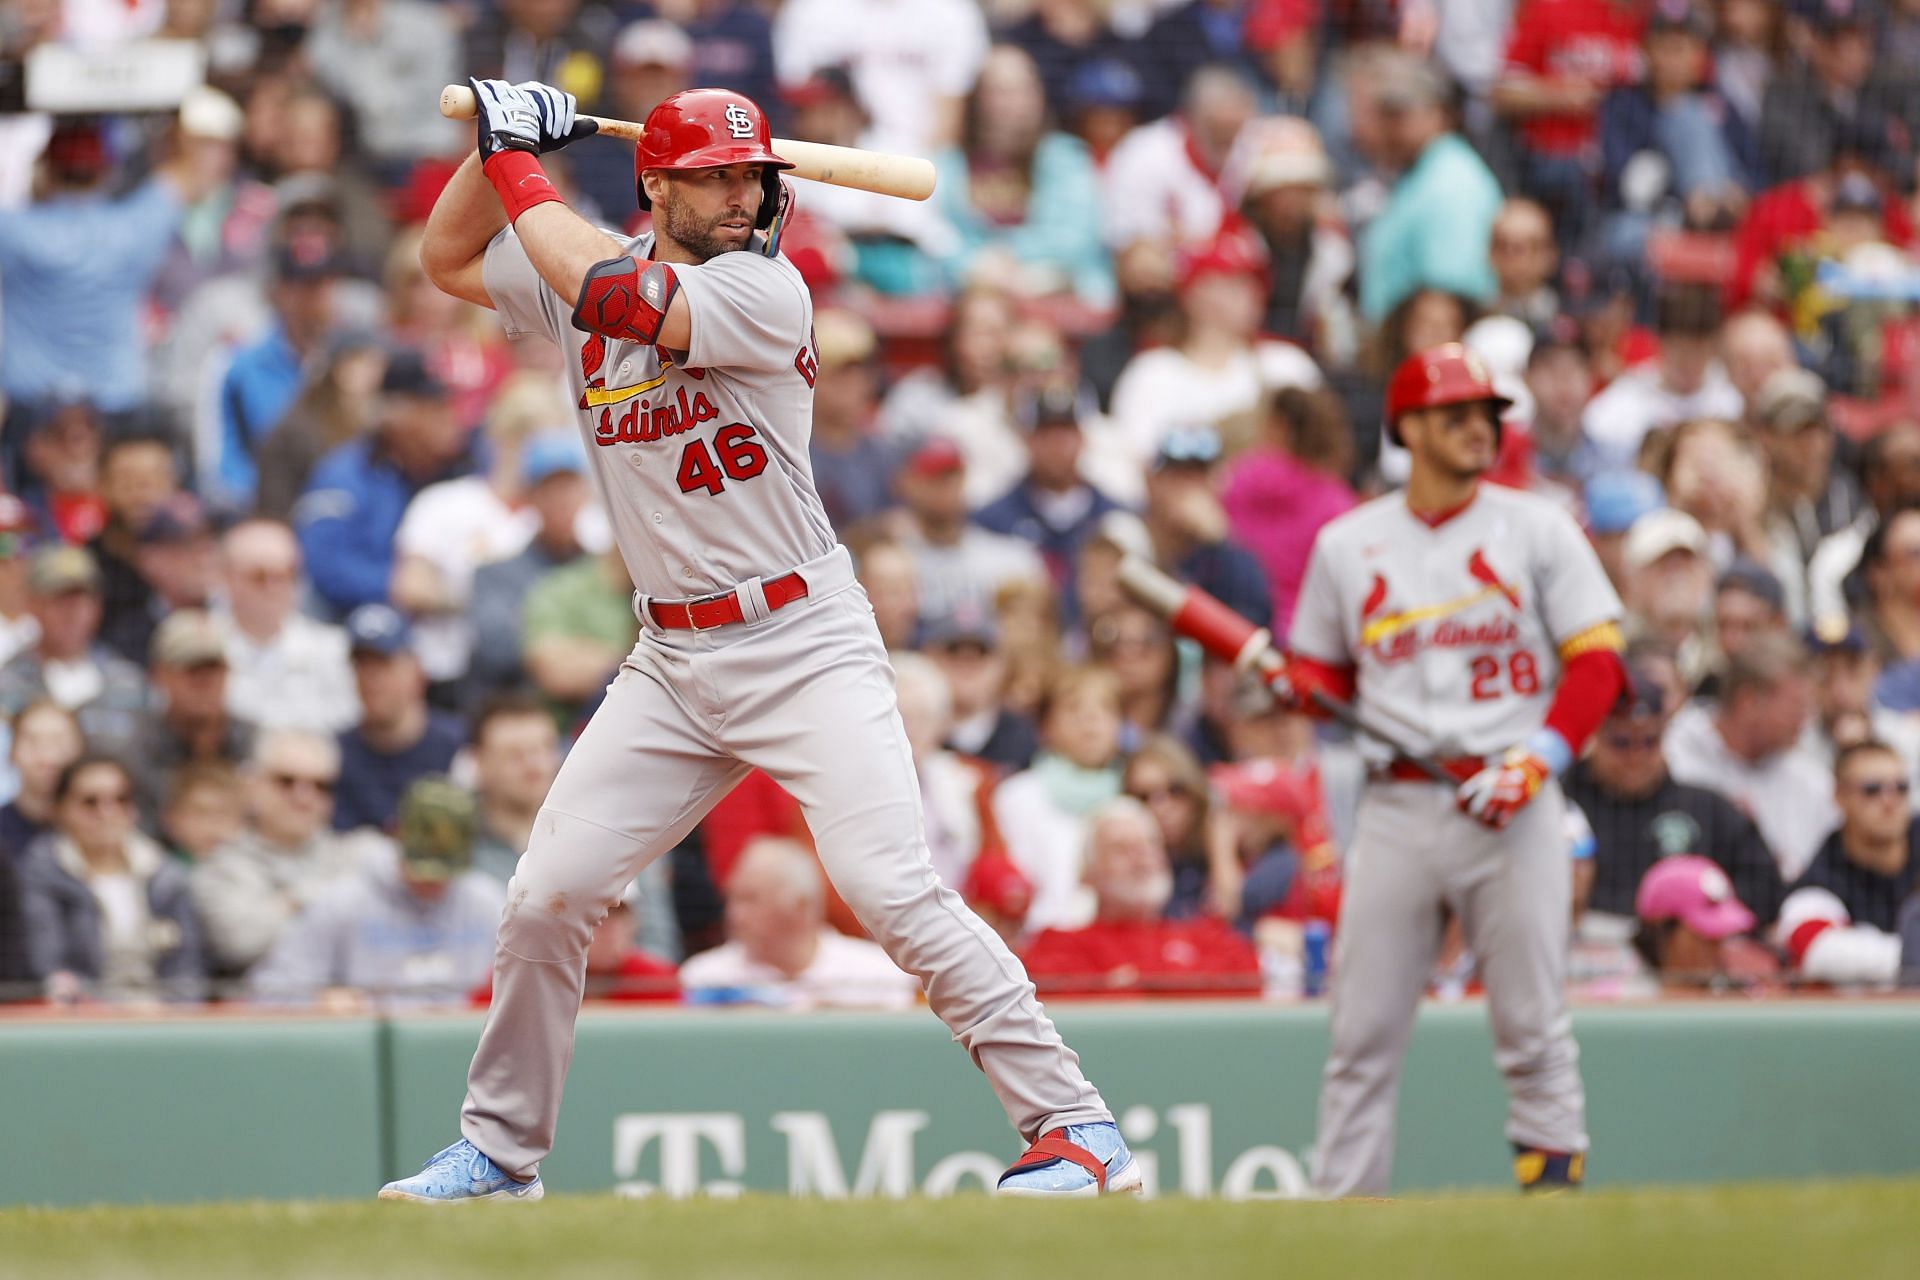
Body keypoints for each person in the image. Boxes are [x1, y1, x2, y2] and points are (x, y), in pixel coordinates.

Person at [380, 82, 1137, 1203]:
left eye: (752, 175)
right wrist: (498, 151)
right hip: (673, 659)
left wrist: (515, 158)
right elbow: (449, 262)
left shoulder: (763, 288)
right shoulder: (582, 257)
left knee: (890, 886)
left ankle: (1076, 1124)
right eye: (717, 177)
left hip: (800, 636)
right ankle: (502, 1149)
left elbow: (615, 294)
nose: (743, 196)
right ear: (657, 184)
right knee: (547, 893)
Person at [1285, 344, 1628, 1196]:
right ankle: (1342, 1220)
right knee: (1360, 1035)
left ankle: (1554, 1207)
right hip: (1398, 803)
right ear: (1408, 427)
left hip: (1510, 799)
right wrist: (1294, 686)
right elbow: (1323, 678)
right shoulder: (1347, 542)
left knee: (1533, 1026)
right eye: (1456, 413)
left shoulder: (1539, 524)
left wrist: (1540, 758)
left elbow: (1597, 661)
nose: (1479, 427)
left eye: (1487, 413)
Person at [250, 777, 505, 1007]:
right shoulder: (344, 901)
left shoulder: (489, 902)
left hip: (463, 1050)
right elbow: (269, 990)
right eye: (422, 867)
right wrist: (319, 1000)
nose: (432, 882)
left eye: (445, 870)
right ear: (396, 833)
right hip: (366, 1049)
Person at [1561, 668, 1785, 926]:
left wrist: (1707, 910)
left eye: (1649, 742)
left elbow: (1766, 888)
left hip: (1678, 952)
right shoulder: (1563, 804)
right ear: (1596, 735)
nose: (1636, 757)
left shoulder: (1704, 807)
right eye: (1621, 743)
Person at [294, 349, 477, 618]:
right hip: (359, 627)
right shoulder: (345, 475)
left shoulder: (469, 468)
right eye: (435, 407)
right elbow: (324, 564)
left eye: (452, 406)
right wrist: (393, 585)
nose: (451, 420)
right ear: (396, 413)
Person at [1020, 798, 1260, 998]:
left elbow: (1250, 997)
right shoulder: (1056, 947)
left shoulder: (1213, 939)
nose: (1142, 857)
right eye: (1121, 849)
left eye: (1150, 844)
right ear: (1087, 874)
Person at [17, 755, 207, 1001]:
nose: (107, 812)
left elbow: (188, 968)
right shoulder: (41, 874)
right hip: (82, 1025)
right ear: (60, 808)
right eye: (90, 802)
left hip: (164, 1021)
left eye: (121, 799)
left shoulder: (164, 874)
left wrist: (167, 1012)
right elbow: (47, 966)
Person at [191, 729, 376, 980]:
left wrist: (287, 905)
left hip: (352, 1012)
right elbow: (239, 945)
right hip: (262, 1014)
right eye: (286, 781)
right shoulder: (220, 867)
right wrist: (312, 895)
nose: (304, 797)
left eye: (320, 786)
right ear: (252, 786)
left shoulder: (358, 854)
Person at [1664, 633, 1836, 882]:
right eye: (1796, 706)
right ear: (1748, 701)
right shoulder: (1674, 754)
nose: (1805, 720)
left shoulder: (1809, 778)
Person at [677, 834, 920, 1009]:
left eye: (751, 900)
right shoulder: (704, 977)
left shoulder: (879, 975)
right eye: (732, 898)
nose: (734, 914)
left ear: (801, 906)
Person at [1358, 53, 1503, 324]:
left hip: (1424, 353)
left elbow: (1448, 297)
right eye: (1384, 117)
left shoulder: (1453, 181)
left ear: (1439, 113)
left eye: (1399, 116)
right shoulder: (1420, 172)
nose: (1388, 129)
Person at [993, 664, 1126, 932]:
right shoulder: (1018, 796)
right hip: (1039, 944)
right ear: (1045, 727)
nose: (1091, 719)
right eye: (1074, 708)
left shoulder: (1135, 792)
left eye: (1105, 708)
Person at [1775, 740, 1920, 986]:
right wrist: (1910, 954)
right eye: (1872, 790)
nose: (1890, 801)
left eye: (1901, 787)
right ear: (1840, 797)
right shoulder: (1823, 874)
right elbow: (1812, 946)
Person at [974, 383, 1127, 600]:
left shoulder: (1116, 516)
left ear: (1083, 439)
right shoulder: (992, 519)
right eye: (1045, 434)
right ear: (1026, 439)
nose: (1057, 445)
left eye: (1066, 433)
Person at [0, 547, 149, 758]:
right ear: (32, 604)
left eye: (82, 600)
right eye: (60, 601)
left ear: (98, 607)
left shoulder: (127, 681)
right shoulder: (7, 682)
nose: (72, 613)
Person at [213, 519, 358, 735]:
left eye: (284, 575)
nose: (273, 587)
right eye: (259, 576)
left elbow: (348, 723)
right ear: (226, 577)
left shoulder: (333, 650)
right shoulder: (203, 647)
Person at [333, 605, 465, 834]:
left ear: (416, 671)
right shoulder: (337, 752)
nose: (371, 679)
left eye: (384, 664)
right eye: (362, 665)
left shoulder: (457, 744)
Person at [895, 436, 1048, 626]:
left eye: (953, 477)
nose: (946, 489)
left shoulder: (1008, 558)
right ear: (909, 483)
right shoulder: (892, 560)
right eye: (934, 479)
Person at [127, 610, 257, 826]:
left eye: (214, 669)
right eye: (192, 670)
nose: (205, 682)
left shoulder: (254, 743)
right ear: (159, 675)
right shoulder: (138, 749)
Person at [1632, 855, 1776, 990]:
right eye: (1705, 933)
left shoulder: (1741, 997)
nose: (1717, 945)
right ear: (1661, 929)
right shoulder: (1623, 1002)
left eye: (1722, 935)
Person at [0, 700, 83, 863]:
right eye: (32, 741)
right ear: (11, 750)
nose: (47, 755)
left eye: (58, 741)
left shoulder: (102, 824)